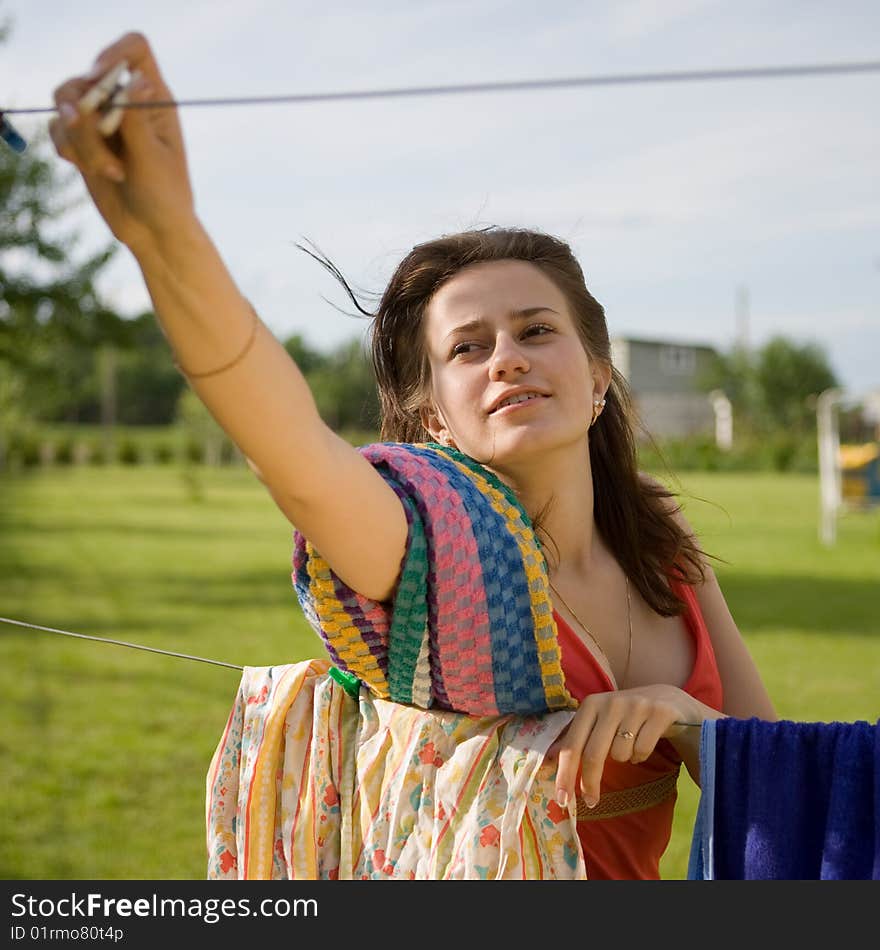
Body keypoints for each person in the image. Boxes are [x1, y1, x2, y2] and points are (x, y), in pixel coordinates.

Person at [49, 32, 777, 880]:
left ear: (598, 380)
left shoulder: (663, 537)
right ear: (432, 419)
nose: (507, 356)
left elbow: (783, 776)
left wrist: (688, 721)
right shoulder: (424, 544)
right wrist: (164, 232)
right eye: (468, 348)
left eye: (537, 331)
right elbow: (288, 448)